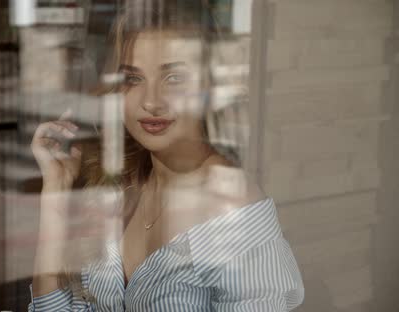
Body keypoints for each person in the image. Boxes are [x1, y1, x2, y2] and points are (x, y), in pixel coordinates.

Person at [28, 1, 304, 311]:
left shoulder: (233, 209)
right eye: (133, 78)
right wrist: (54, 192)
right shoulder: (120, 187)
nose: (151, 102)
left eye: (173, 78)